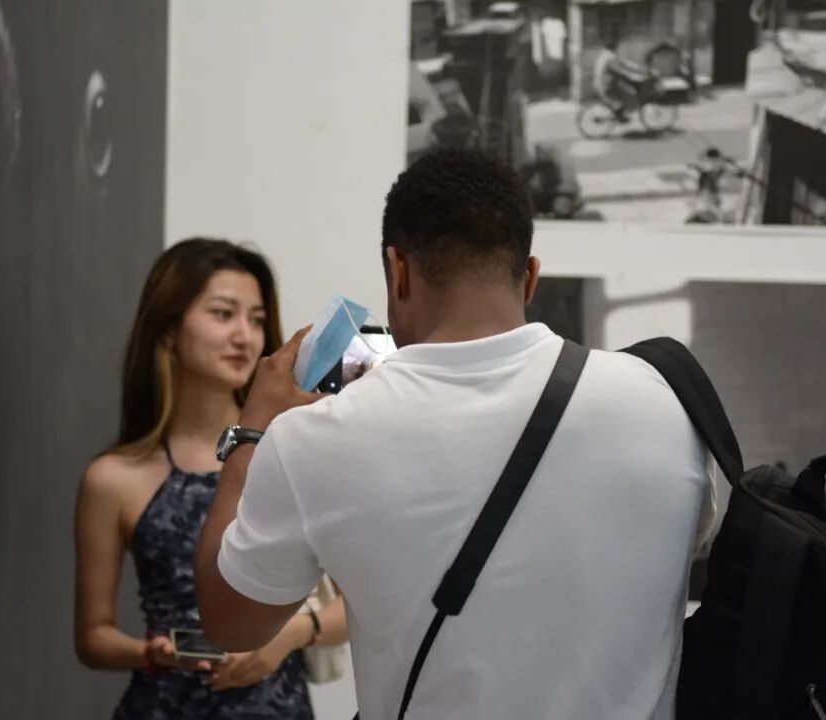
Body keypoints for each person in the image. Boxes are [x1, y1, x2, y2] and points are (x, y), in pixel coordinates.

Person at [193, 150, 717, 718]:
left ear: (397, 271)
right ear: (530, 276)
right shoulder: (666, 403)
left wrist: (251, 434)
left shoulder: (315, 439)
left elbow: (232, 623)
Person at [74, 238, 348, 719]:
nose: (245, 336)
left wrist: (288, 635)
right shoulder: (114, 478)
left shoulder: (294, 448)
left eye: (257, 320)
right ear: (168, 331)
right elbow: (93, 636)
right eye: (223, 314)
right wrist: (151, 653)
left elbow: (357, 605)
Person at [592, 38, 646, 122]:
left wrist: (637, 69)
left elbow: (623, 63)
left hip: (599, 83)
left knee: (622, 95)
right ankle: (620, 115)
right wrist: (635, 75)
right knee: (631, 95)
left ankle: (619, 113)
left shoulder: (605, 54)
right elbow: (620, 70)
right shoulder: (610, 57)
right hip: (606, 85)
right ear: (614, 47)